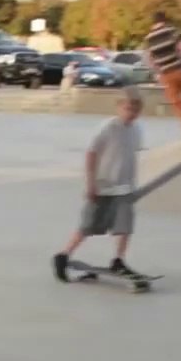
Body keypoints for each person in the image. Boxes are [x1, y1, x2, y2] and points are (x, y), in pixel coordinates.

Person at [52, 87, 146, 282]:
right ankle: (63, 255)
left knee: (125, 225)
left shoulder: (137, 129)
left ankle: (119, 260)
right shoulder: (107, 128)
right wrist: (91, 183)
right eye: (127, 109)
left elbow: (131, 156)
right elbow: (91, 154)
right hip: (102, 186)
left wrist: (133, 183)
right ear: (118, 107)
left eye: (135, 111)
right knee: (89, 225)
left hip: (125, 187)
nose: (131, 114)